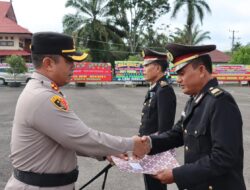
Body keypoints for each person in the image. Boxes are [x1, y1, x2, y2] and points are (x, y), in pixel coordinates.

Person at [5, 32, 149, 190]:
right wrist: (131, 144)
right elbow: (82, 137)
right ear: (48, 63)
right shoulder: (42, 97)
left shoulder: (43, 91)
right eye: (69, 60)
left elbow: (67, 140)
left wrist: (105, 152)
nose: (74, 65)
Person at [141, 43, 246, 190]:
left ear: (202, 70)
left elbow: (223, 157)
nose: (178, 80)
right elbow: (177, 134)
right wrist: (148, 143)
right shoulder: (195, 99)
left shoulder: (220, 102)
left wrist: (177, 174)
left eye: (182, 73)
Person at [139, 48, 176, 190]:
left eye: (147, 65)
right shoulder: (155, 89)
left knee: (155, 187)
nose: (144, 69)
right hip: (148, 148)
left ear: (158, 67)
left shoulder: (164, 90)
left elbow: (165, 129)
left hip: (156, 150)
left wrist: (157, 154)